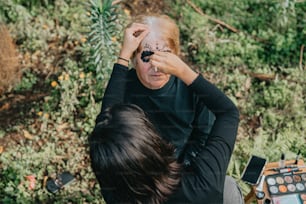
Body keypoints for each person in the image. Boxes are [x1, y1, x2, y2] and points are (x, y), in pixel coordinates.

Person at [92, 14, 244, 203]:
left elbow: (107, 119)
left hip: (167, 169)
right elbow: (228, 113)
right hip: (178, 176)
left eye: (164, 55)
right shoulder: (204, 185)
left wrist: (122, 55)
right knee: (228, 187)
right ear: (135, 59)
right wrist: (186, 72)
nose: (156, 67)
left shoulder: (116, 191)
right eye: (147, 57)